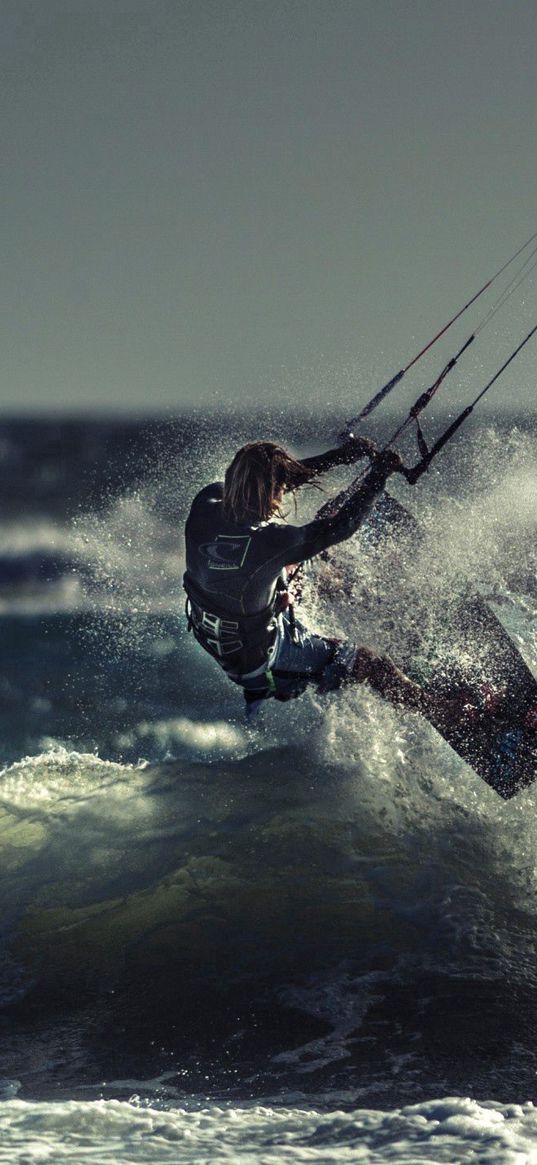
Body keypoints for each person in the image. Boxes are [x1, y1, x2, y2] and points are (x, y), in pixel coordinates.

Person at [183, 437, 441, 717]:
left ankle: (341, 596)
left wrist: (339, 457)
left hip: (221, 637)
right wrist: (378, 476)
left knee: (308, 557)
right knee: (368, 662)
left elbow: (270, 486)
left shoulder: (205, 505)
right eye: (281, 488)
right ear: (271, 491)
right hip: (263, 663)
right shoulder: (271, 542)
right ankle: (438, 709)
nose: (283, 494)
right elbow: (342, 527)